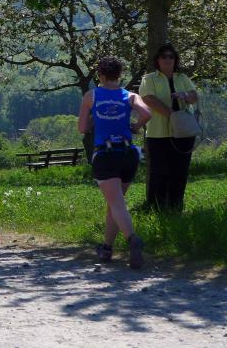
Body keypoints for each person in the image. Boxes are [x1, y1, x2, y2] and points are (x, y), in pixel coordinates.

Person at [78, 56, 152, 269]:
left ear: (100, 76)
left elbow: (82, 128)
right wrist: (135, 126)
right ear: (119, 75)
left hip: (106, 154)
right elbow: (147, 113)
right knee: (115, 203)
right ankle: (107, 248)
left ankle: (133, 239)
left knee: (117, 204)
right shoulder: (130, 96)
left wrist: (96, 118)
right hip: (128, 154)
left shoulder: (91, 95)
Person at [138, 43, 198, 211]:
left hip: (184, 133)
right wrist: (172, 115)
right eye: (164, 56)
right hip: (158, 134)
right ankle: (156, 207)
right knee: (159, 172)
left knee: (180, 171)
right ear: (157, 60)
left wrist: (185, 95)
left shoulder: (182, 78)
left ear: (175, 60)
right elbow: (148, 99)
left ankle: (176, 206)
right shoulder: (149, 79)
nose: (167, 59)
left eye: (171, 56)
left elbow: (194, 96)